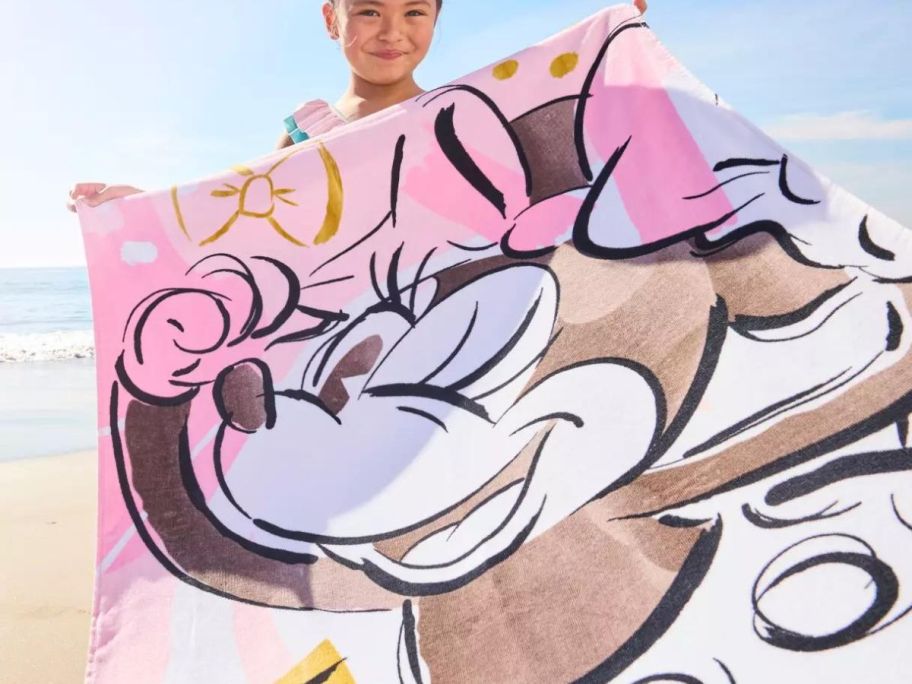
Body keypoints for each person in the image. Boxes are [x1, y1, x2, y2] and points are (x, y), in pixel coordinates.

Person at [67, 0, 647, 212]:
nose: (392, 32)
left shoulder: (461, 116)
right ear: (331, 18)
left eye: (414, 12)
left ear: (436, 19)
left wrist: (615, 45)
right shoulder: (306, 129)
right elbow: (234, 210)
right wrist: (140, 209)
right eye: (369, 11)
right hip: (344, 329)